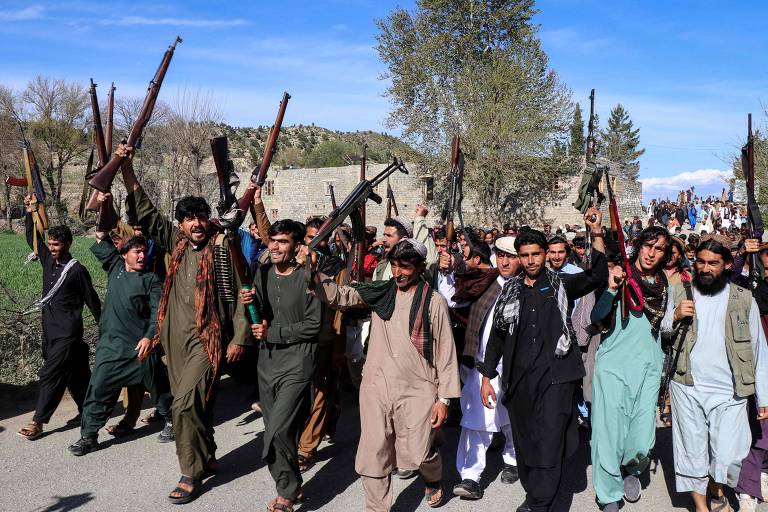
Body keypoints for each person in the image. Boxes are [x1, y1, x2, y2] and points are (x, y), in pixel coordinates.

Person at [119, 144, 251, 504]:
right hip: (174, 341)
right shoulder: (175, 243)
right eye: (189, 219)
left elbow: (244, 292)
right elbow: (145, 209)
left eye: (201, 217)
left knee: (183, 405)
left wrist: (239, 337)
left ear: (208, 219)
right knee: (197, 403)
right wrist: (126, 167)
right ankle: (206, 454)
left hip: (207, 340)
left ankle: (190, 472)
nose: (196, 224)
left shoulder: (222, 248)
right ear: (180, 224)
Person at [311, 238, 461, 511]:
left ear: (419, 267)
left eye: (405, 267)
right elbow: (340, 295)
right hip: (377, 385)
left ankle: (433, 477)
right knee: (374, 451)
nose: (397, 273)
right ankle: (376, 507)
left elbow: (446, 352)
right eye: (394, 265)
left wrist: (444, 400)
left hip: (418, 387)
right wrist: (313, 272)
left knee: (418, 452)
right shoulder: (381, 292)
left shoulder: (433, 301)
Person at [480, 207, 607, 512]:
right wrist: (487, 377)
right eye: (525, 255)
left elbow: (597, 275)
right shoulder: (510, 292)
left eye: (536, 254)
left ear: (545, 254)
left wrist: (597, 233)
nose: (531, 260)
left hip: (556, 380)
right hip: (520, 382)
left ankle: (540, 503)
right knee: (526, 444)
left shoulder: (562, 284)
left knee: (550, 442)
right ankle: (535, 494)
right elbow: (498, 336)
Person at [670, 236, 768, 512]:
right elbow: (662, 333)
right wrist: (674, 315)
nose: (705, 268)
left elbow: (758, 349)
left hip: (730, 391)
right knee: (691, 450)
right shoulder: (680, 291)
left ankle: (716, 485)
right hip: (687, 386)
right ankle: (702, 507)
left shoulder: (743, 298)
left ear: (726, 265)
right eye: (701, 262)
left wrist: (763, 396)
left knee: (728, 454)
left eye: (713, 263)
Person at [68, 221, 173, 455]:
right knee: (98, 389)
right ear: (124, 254)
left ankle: (172, 420)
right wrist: (102, 214)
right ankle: (89, 436)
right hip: (110, 347)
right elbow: (100, 238)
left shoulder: (151, 280)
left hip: (139, 347)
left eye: (144, 252)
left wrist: (149, 337)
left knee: (159, 386)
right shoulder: (115, 267)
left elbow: (159, 313)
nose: (142, 256)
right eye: (137, 252)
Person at [590, 226, 676, 511]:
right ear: (639, 246)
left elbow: (665, 328)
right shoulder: (621, 275)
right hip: (614, 365)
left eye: (659, 248)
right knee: (608, 434)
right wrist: (612, 289)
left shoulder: (663, 285)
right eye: (648, 246)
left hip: (649, 366)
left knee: (642, 438)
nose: (652, 253)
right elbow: (597, 316)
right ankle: (608, 493)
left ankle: (631, 468)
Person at [240, 219, 322, 512]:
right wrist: (248, 303)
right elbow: (258, 315)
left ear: (297, 246)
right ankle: (292, 483)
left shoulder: (308, 277)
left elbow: (313, 324)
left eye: (283, 241)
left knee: (276, 431)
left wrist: (273, 333)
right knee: (278, 431)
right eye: (272, 240)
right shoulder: (262, 273)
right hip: (267, 363)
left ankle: (285, 493)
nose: (275, 246)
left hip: (298, 362)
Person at [17, 198, 101, 441]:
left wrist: (106, 329)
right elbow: (33, 237)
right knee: (76, 374)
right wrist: (29, 211)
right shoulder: (47, 260)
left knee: (50, 374)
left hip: (68, 333)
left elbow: (93, 302)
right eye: (51, 244)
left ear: (68, 244)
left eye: (57, 244)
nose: (52, 248)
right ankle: (88, 410)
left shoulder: (77, 270)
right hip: (49, 332)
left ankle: (38, 421)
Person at [453, 236, 520, 500]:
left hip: (514, 366)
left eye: (511, 257)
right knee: (475, 419)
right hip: (481, 364)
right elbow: (456, 292)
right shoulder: (486, 283)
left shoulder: (527, 287)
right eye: (500, 255)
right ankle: (470, 477)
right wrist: (448, 267)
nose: (505, 262)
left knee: (511, 417)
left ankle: (513, 460)